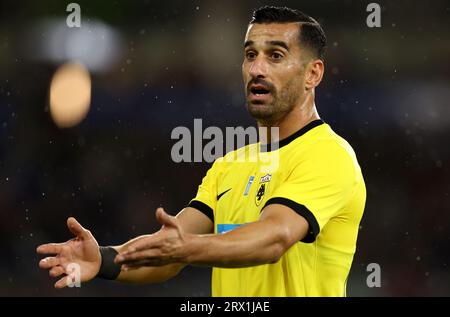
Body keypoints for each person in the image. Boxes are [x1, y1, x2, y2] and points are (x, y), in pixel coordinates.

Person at [37, 6, 366, 297]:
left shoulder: (329, 155)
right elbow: (171, 249)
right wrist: (107, 259)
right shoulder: (230, 165)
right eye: (251, 55)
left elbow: (274, 238)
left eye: (275, 56)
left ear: (313, 74)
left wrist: (187, 247)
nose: (257, 69)